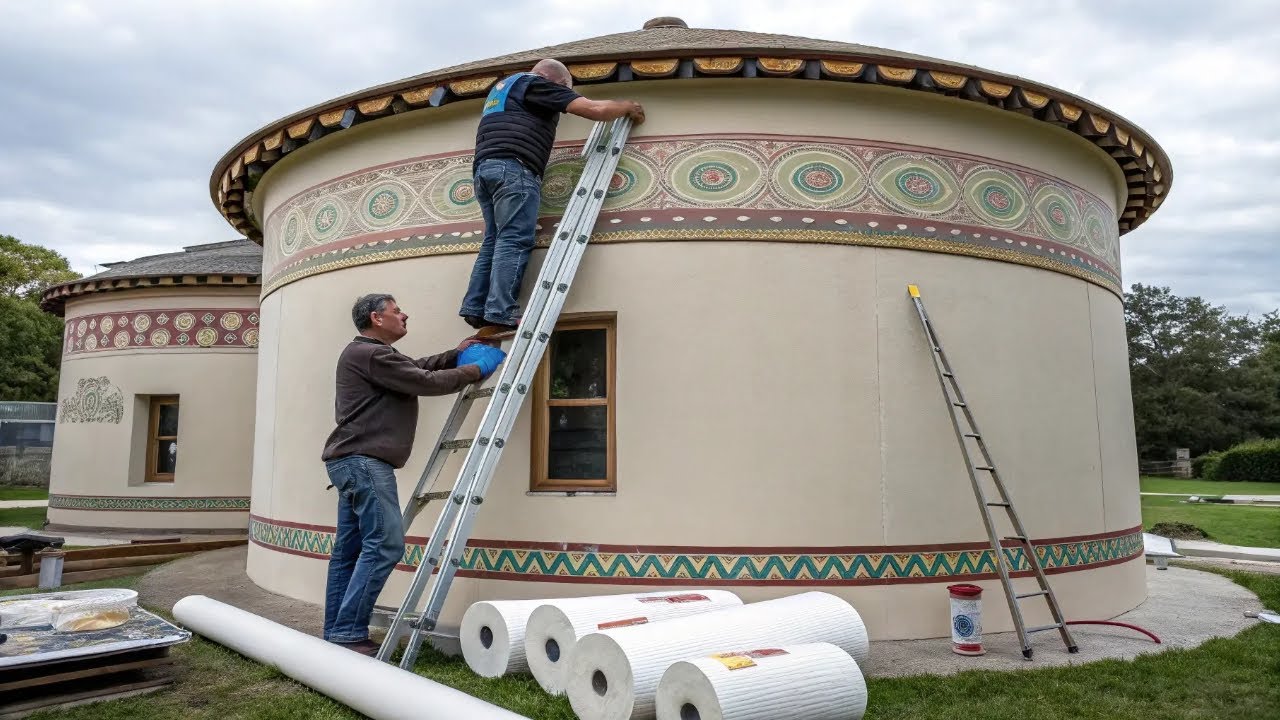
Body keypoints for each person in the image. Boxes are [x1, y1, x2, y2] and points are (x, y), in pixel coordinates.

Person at [320, 293, 506, 655]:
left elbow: (416, 368)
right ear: (376, 318)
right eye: (396, 311)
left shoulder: (371, 355)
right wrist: (476, 368)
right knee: (386, 545)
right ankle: (347, 634)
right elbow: (426, 381)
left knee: (351, 551)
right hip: (364, 463)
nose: (405, 315)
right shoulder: (370, 354)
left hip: (350, 462)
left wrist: (456, 353)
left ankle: (337, 631)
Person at [459, 58, 646, 332]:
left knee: (494, 240)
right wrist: (628, 107)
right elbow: (592, 109)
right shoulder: (536, 85)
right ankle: (500, 311)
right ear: (557, 83)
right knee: (513, 239)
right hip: (515, 169)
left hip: (485, 170)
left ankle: (476, 307)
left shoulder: (504, 90)